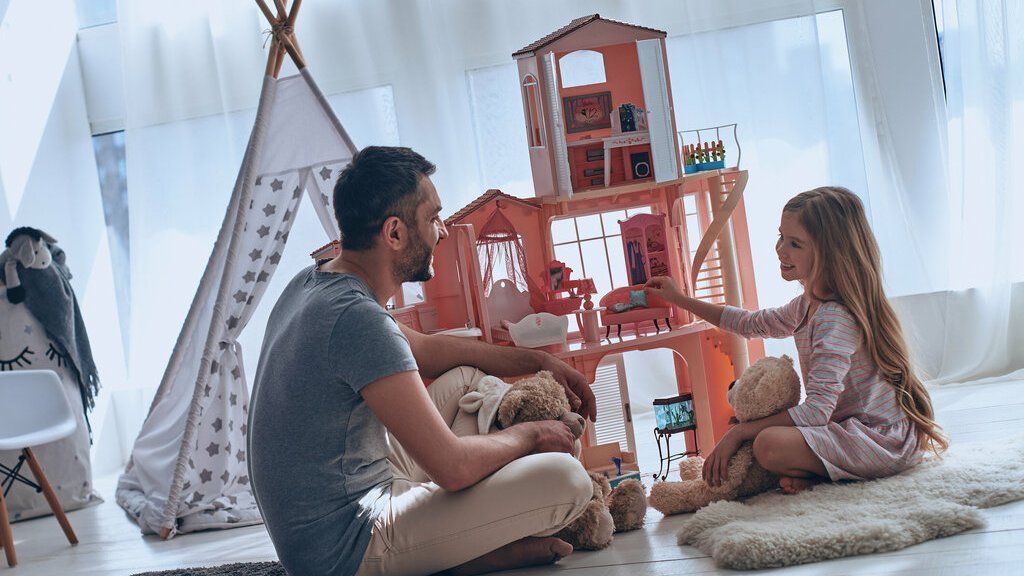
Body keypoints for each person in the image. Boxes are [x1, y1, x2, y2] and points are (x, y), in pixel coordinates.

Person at [247, 146, 597, 576]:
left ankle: (452, 540)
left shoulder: (313, 281)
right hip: (344, 548)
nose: (443, 231)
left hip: (332, 514)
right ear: (394, 233)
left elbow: (426, 352)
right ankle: (464, 554)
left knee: (466, 379)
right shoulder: (357, 319)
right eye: (433, 218)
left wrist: (540, 360)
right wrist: (532, 434)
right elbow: (453, 468)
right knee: (567, 480)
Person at [645, 186, 947, 494]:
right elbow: (749, 323)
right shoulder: (807, 306)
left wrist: (739, 432)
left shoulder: (834, 318)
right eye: (781, 237)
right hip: (850, 431)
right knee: (767, 441)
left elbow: (816, 411)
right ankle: (820, 475)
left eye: (795, 244)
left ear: (829, 254)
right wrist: (680, 299)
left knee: (767, 443)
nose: (780, 249)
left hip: (878, 440)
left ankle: (822, 476)